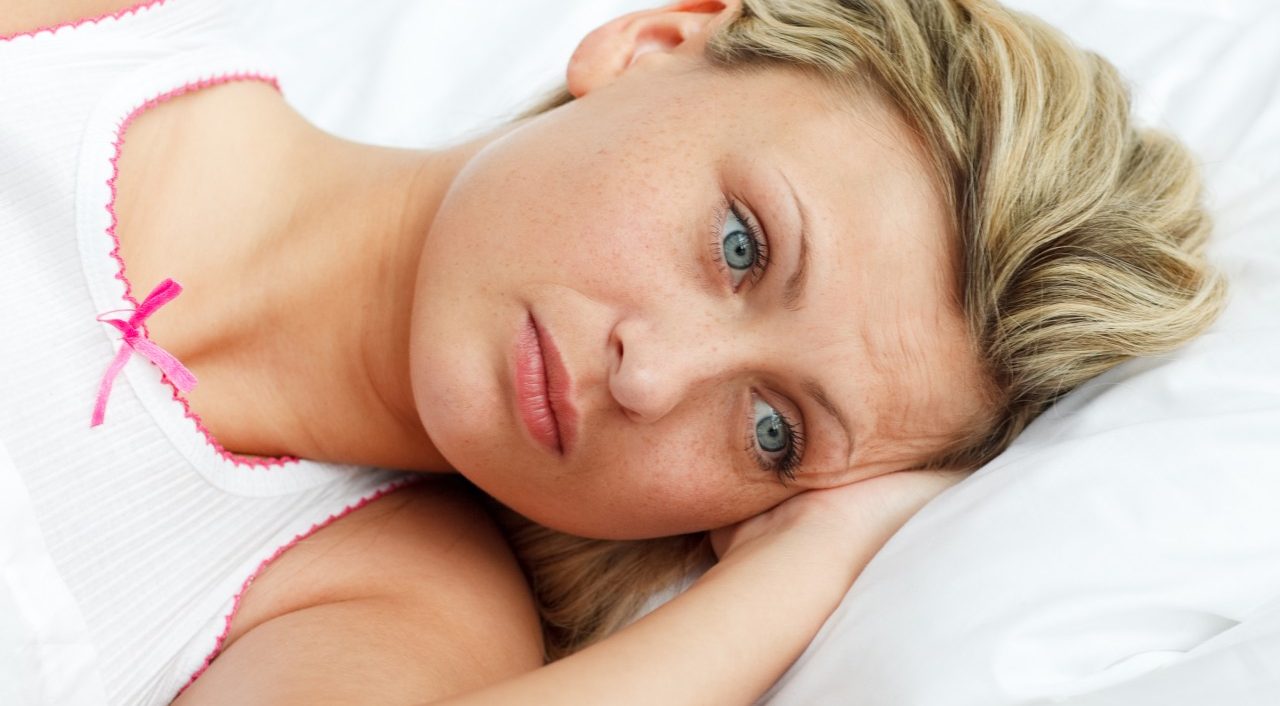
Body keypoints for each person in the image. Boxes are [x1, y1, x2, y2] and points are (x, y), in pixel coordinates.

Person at [0, 0, 1224, 703]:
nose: (652, 377)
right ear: (655, 44)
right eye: (741, 244)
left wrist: (800, 577)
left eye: (771, 432)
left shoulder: (397, 615)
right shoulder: (65, 36)